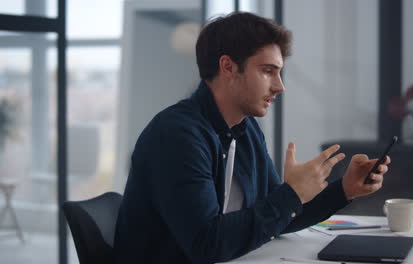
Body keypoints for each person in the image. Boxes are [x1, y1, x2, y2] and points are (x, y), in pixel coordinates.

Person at [113, 12, 390, 264]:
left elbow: (278, 217)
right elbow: (206, 244)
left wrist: (344, 189)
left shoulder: (246, 129)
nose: (280, 86)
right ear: (228, 67)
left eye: (279, 73)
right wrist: (290, 194)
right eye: (268, 71)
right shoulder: (177, 135)